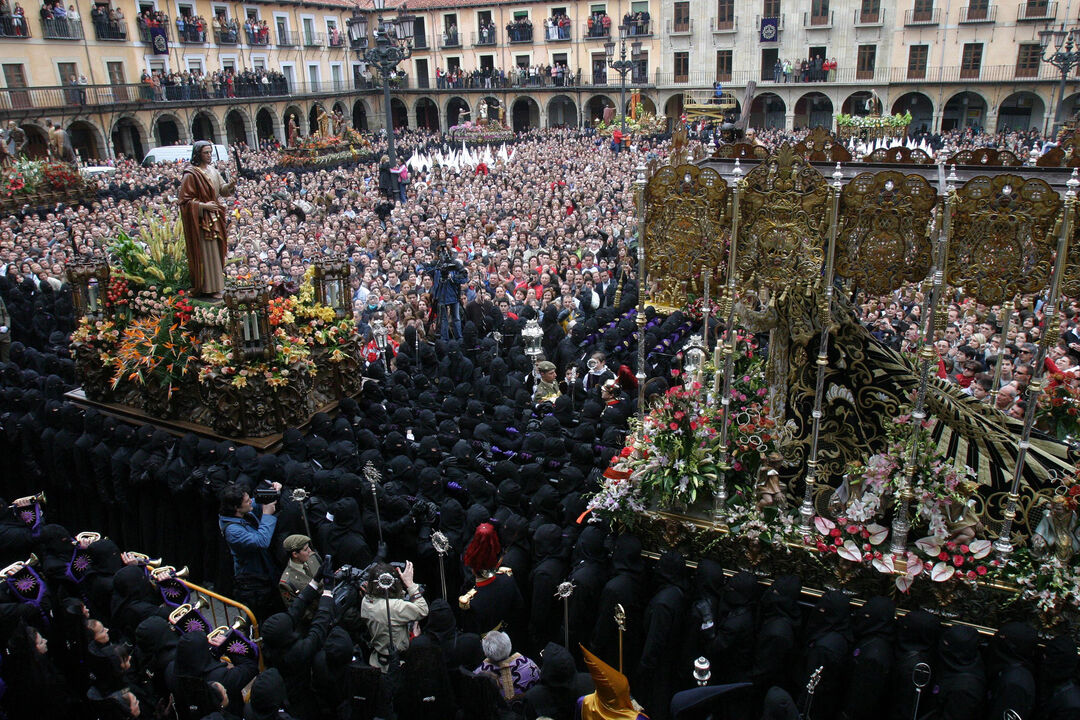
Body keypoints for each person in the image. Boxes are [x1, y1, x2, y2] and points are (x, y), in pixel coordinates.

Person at [217, 482, 280, 622]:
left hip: (263, 570)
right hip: (253, 581)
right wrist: (267, 515)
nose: (251, 501)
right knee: (259, 618)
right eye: (247, 501)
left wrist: (270, 492)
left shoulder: (241, 513)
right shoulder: (233, 531)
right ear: (236, 508)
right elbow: (261, 541)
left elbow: (256, 503)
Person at [179, 140, 234, 297]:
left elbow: (222, 190)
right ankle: (210, 287)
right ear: (198, 154)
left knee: (217, 251)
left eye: (211, 152)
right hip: (201, 220)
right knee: (208, 252)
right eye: (206, 153)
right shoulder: (191, 174)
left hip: (215, 215)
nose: (209, 156)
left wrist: (230, 185)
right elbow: (184, 201)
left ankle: (218, 284)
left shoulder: (212, 170)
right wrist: (203, 206)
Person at [359, 560, 429, 672]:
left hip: (376, 661)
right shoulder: (394, 608)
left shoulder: (366, 601)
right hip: (396, 665)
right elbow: (423, 610)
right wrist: (410, 584)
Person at [278, 534, 321, 608]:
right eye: (305, 549)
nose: (309, 551)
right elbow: (296, 610)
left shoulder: (313, 557)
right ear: (295, 554)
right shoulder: (287, 583)